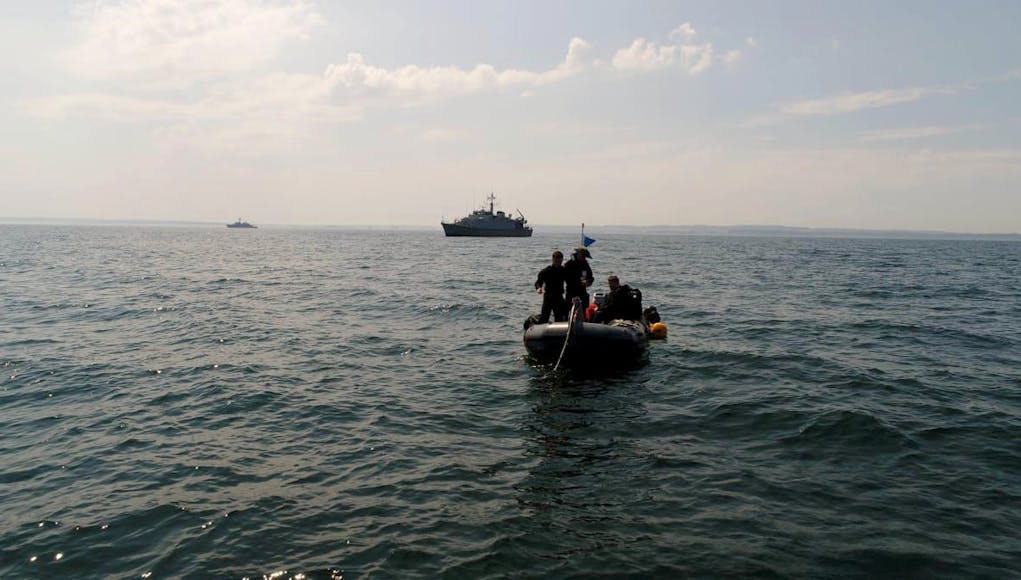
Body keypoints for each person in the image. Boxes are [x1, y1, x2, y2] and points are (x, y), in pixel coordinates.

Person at [534, 250, 567, 323]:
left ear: (562, 260)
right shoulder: (546, 271)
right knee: (544, 318)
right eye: (556, 261)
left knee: (559, 318)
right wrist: (539, 288)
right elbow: (538, 283)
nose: (558, 263)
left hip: (559, 297)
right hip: (548, 297)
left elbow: (570, 280)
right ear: (553, 259)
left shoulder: (563, 270)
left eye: (560, 261)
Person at [563, 247, 594, 312]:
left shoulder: (585, 264)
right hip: (571, 291)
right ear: (578, 254)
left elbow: (590, 276)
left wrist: (589, 281)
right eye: (583, 256)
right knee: (569, 310)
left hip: (582, 290)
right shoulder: (569, 264)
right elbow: (564, 277)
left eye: (585, 257)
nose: (584, 258)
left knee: (583, 310)